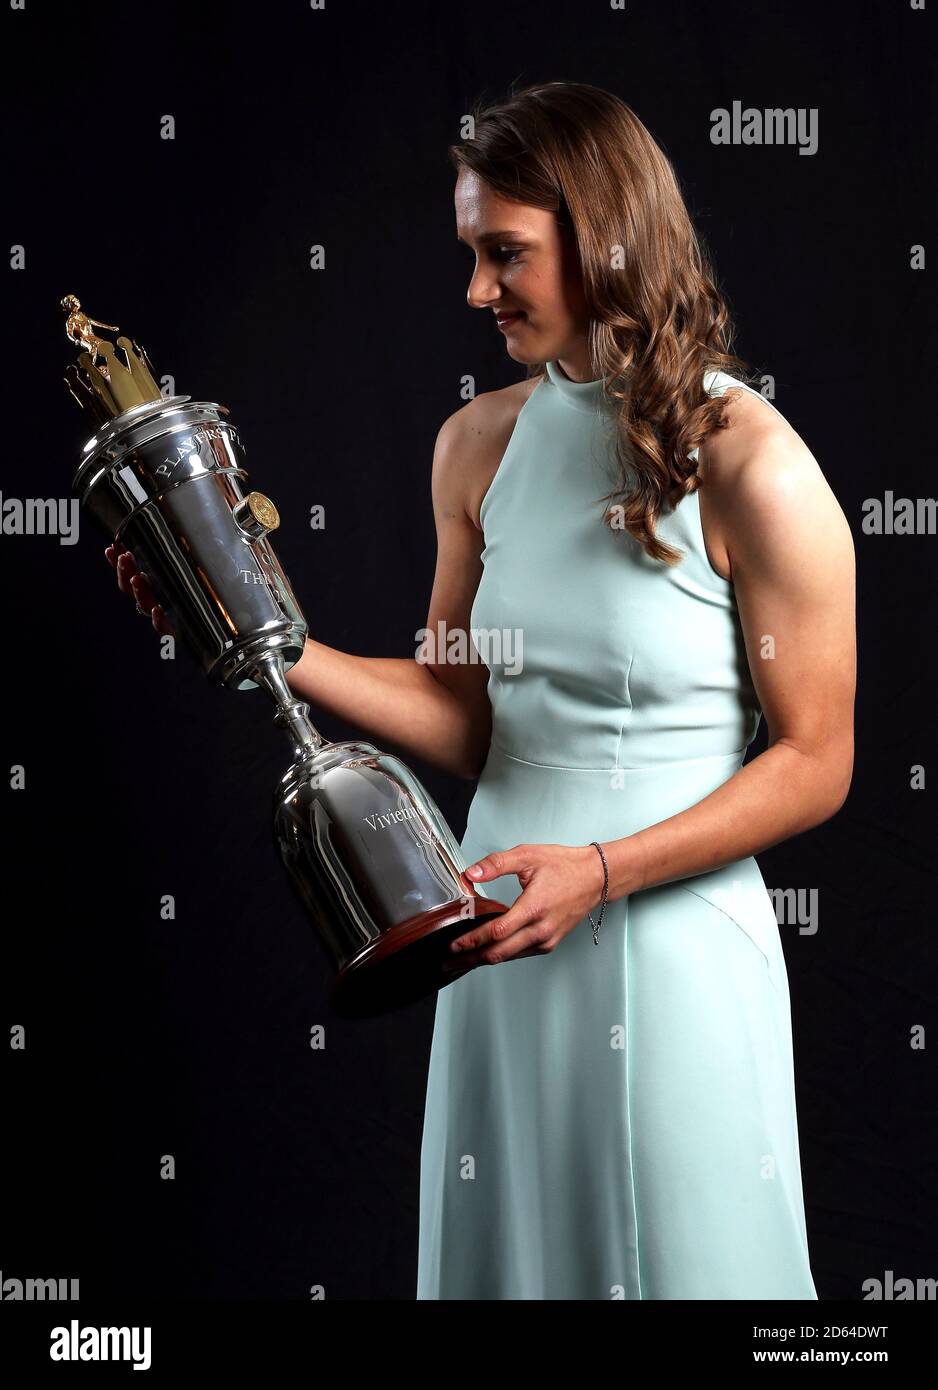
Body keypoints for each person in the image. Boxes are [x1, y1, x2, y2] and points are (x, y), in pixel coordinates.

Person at [110, 80, 856, 1301]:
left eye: (503, 252)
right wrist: (266, 640)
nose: (475, 290)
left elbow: (815, 760)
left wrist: (602, 870)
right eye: (471, 251)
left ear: (604, 235)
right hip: (497, 926)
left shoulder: (751, 463)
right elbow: (466, 713)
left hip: (666, 952)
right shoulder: (477, 445)